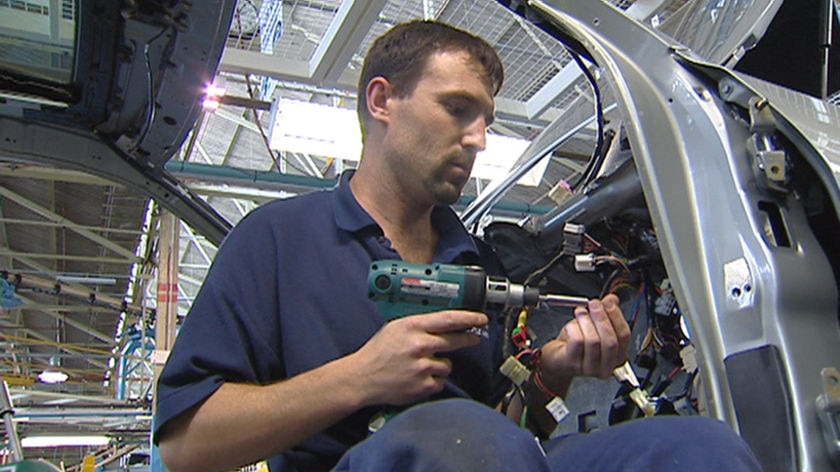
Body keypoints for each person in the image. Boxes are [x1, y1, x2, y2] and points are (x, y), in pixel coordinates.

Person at [154, 20, 763, 472]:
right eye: (457, 109)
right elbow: (185, 447)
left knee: (696, 448)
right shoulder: (277, 239)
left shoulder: (474, 259)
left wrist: (550, 378)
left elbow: (506, 433)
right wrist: (360, 378)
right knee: (455, 432)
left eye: (487, 120)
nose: (478, 138)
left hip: (483, 455)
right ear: (382, 101)